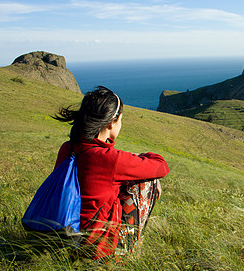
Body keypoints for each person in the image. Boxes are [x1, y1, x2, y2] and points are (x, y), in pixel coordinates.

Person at [53, 86, 169, 260]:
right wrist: (142, 157)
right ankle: (128, 249)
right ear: (111, 123)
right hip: (98, 250)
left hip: (61, 240)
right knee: (148, 182)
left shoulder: (67, 148)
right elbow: (161, 166)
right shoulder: (110, 159)